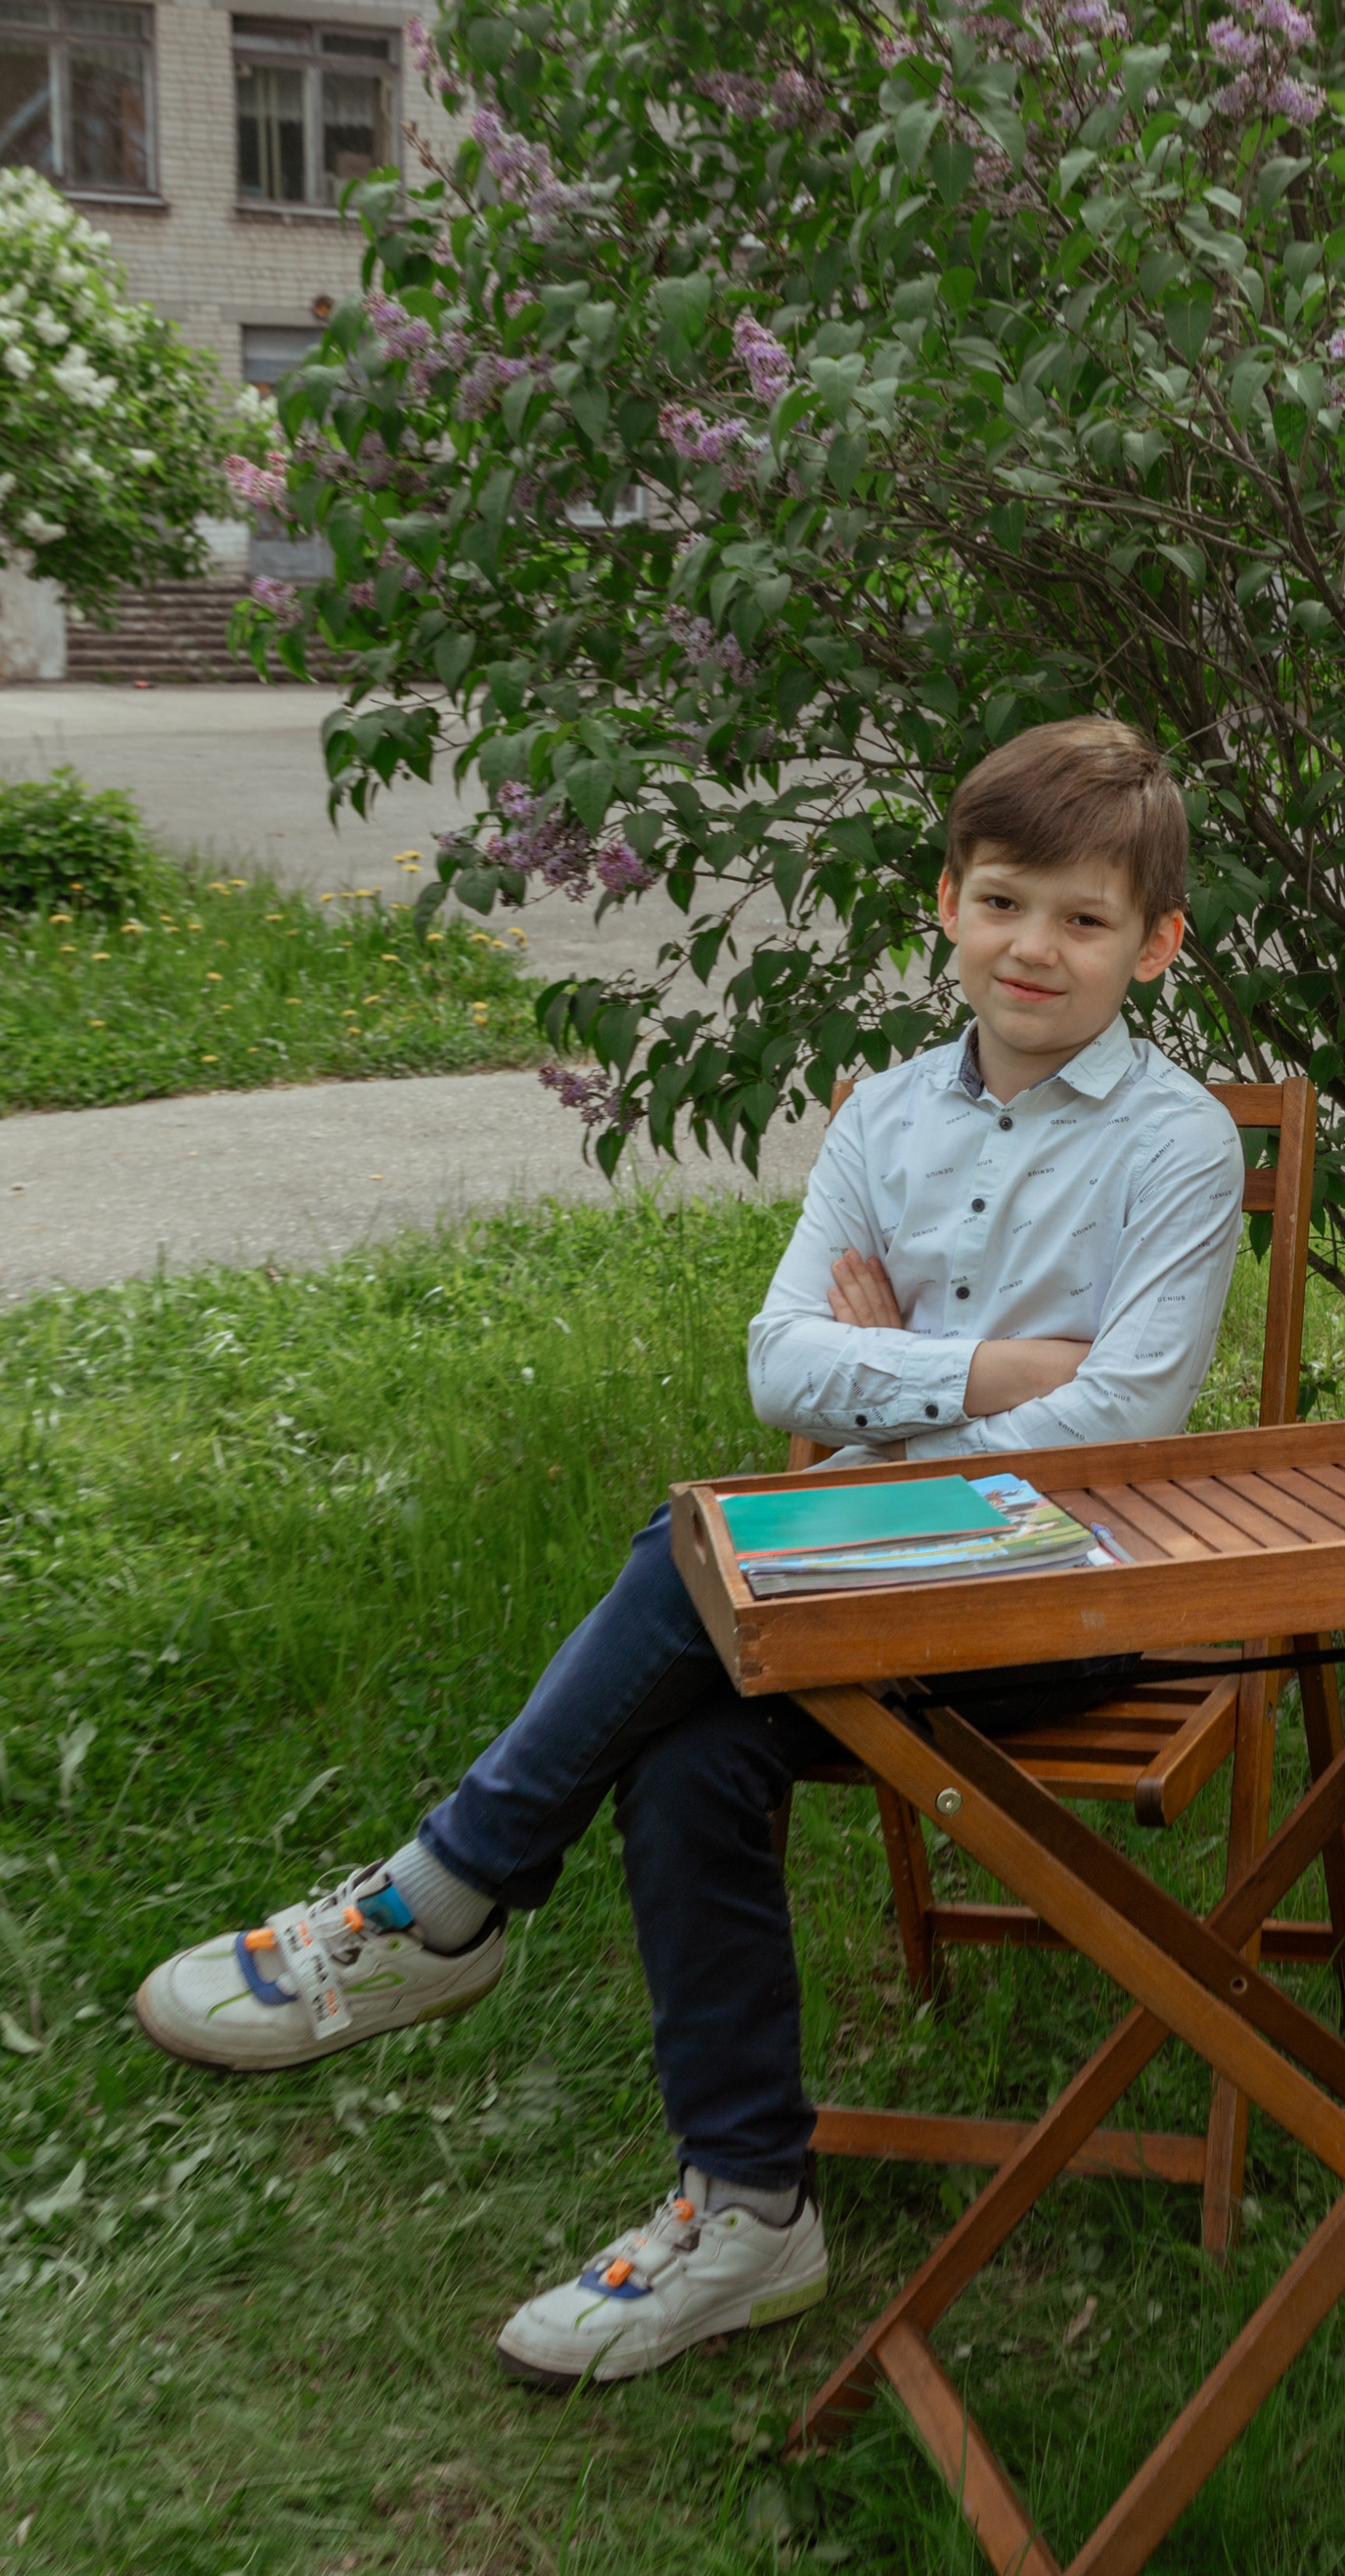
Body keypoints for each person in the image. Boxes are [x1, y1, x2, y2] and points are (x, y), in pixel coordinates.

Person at [132, 717, 1247, 2386]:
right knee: (691, 1755)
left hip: (1062, 1602)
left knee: (699, 1547)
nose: (1037, 949)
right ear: (947, 901)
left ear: (1154, 946)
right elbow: (778, 1368)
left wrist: (894, 1424)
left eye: (1086, 921)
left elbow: (1122, 1430)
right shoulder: (884, 1121)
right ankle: (751, 2211)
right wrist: (993, 1375)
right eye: (1007, 902)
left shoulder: (1174, 1143)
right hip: (866, 1587)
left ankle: (435, 1905)